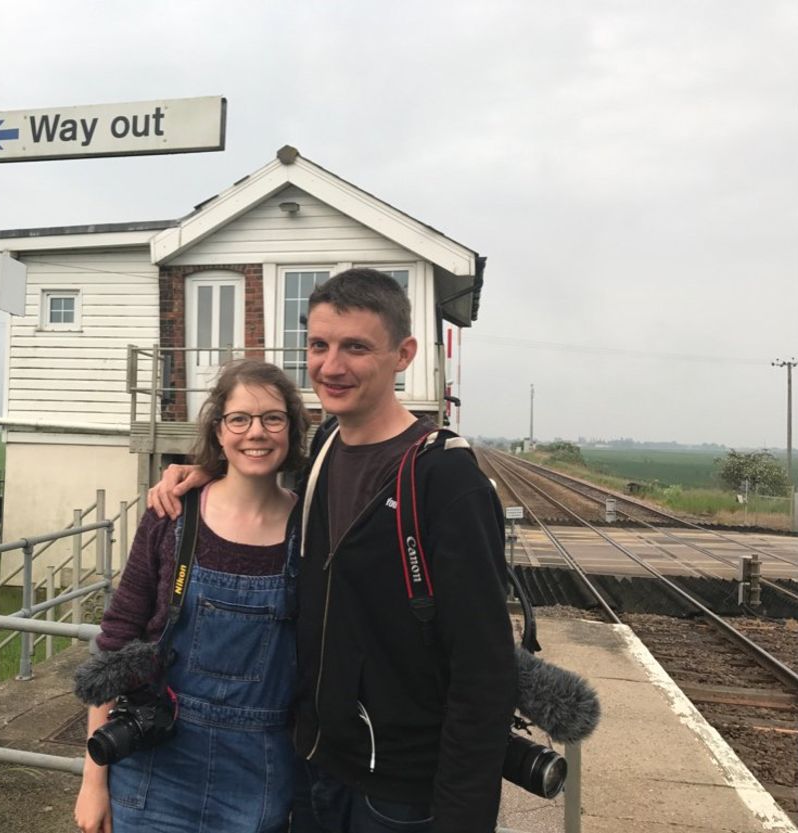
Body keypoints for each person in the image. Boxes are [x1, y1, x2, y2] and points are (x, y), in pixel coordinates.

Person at [148, 268, 516, 833]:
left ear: (404, 354)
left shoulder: (445, 480)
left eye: (356, 347)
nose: (331, 366)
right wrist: (208, 471)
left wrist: (464, 817)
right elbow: (262, 471)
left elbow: (484, 670)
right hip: (317, 768)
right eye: (319, 345)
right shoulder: (323, 449)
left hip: (402, 794)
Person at [74, 359, 311, 833]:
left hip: (260, 775)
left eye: (273, 418)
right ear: (219, 431)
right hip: (155, 766)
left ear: (292, 429)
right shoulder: (171, 516)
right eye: (239, 419)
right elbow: (117, 641)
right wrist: (93, 779)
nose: (255, 433)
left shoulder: (312, 530)